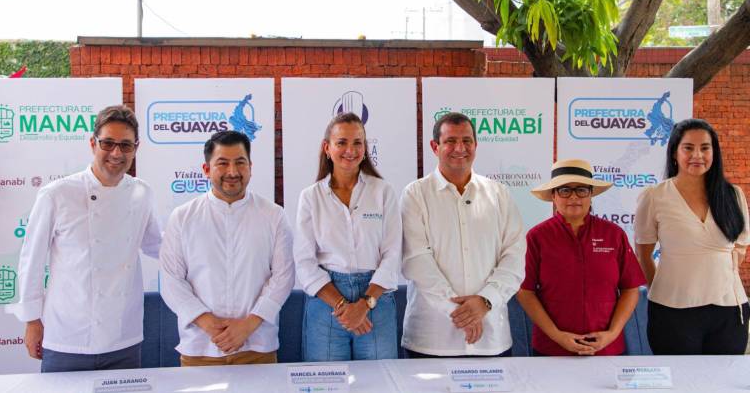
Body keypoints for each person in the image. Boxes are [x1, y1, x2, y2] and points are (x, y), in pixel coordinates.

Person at [6, 105, 161, 372]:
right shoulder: (57, 194)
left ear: (136, 148)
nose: (116, 153)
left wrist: (198, 246)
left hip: (123, 337)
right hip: (67, 338)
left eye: (125, 145)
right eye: (108, 143)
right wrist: (32, 321)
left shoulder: (142, 193)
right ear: (93, 143)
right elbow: (31, 259)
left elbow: (156, 245)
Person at [160, 130, 294, 366]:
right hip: (200, 349)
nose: (232, 172)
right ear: (207, 169)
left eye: (240, 163)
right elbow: (171, 281)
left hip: (257, 347)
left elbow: (283, 277)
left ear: (250, 167)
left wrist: (248, 326)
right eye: (223, 163)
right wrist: (210, 325)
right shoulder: (183, 217)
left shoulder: (273, 215)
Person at [401, 112, 526, 358]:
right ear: (435, 146)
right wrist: (463, 314)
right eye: (450, 141)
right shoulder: (415, 195)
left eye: (467, 141)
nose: (460, 148)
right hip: (432, 340)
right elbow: (416, 261)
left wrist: (485, 301)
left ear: (476, 146)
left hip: (491, 339)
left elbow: (515, 255)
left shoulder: (498, 194)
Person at [635, 118, 750, 355]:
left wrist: (716, 277)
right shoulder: (655, 196)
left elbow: (740, 245)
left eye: (705, 148)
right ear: (675, 153)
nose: (697, 155)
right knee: (677, 382)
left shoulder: (733, 195)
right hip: (671, 308)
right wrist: (662, 287)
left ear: (714, 153)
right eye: (688, 147)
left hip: (729, 309)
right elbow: (643, 253)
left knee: (722, 384)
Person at [294, 112, 401, 361]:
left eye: (357, 143)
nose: (350, 150)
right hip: (327, 303)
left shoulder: (383, 192)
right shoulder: (311, 197)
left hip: (376, 300)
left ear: (365, 148)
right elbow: (305, 262)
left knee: (379, 383)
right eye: (341, 142)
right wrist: (343, 307)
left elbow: (392, 254)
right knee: (326, 383)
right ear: (327, 148)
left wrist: (364, 305)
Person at [517, 159, 646, 356]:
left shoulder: (614, 234)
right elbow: (525, 292)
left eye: (581, 190)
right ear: (553, 196)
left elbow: (630, 288)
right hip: (552, 349)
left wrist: (612, 334)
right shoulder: (537, 237)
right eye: (564, 190)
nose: (574, 197)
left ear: (591, 194)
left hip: (606, 348)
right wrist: (558, 336)